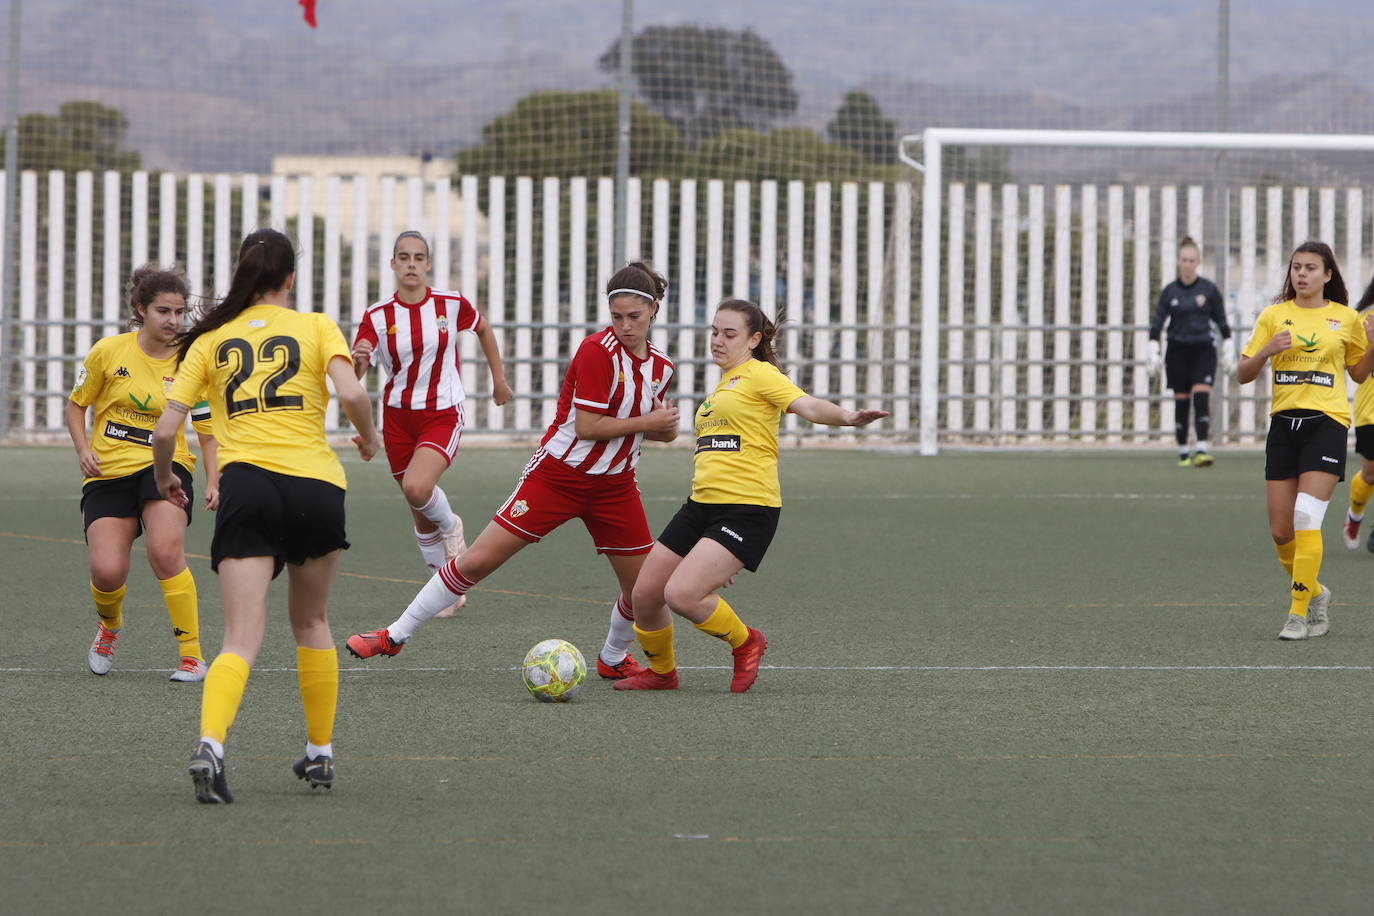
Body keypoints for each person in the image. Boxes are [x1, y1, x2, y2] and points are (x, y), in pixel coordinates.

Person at [346, 261, 679, 679]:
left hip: (616, 487)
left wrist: (665, 427)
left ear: (653, 313)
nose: (625, 326)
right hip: (558, 476)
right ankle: (394, 635)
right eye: (617, 317)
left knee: (643, 590)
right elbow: (589, 428)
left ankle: (612, 658)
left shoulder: (661, 366)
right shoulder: (597, 351)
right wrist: (650, 424)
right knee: (478, 561)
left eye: (634, 317)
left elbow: (653, 430)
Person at [151, 228, 381, 804]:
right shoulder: (317, 325)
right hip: (317, 486)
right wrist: (368, 436)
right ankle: (321, 754)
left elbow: (164, 430)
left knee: (239, 637)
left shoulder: (210, 338)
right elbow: (353, 395)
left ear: (244, 275)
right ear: (290, 278)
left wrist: (163, 479)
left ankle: (211, 743)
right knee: (312, 623)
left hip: (247, 485)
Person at [614, 298, 888, 693]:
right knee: (645, 592)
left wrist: (846, 417)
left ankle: (747, 642)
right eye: (713, 332)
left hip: (747, 509)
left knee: (681, 594)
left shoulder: (759, 375)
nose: (717, 341)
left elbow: (805, 404)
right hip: (701, 506)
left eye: (729, 334)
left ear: (754, 339)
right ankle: (662, 672)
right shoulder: (724, 385)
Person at [65, 264, 218, 682]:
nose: (173, 320)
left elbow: (206, 432)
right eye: (163, 311)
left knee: (165, 552)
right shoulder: (107, 352)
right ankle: (109, 627)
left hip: (165, 470)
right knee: (107, 571)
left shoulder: (192, 360)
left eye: (179, 312)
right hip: (108, 472)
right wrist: (83, 450)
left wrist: (215, 480)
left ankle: (191, 655)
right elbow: (76, 405)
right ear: (140, 309)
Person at [352, 230, 512, 616]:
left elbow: (484, 329)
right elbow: (358, 370)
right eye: (403, 257)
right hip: (397, 417)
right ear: (392, 265)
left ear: (427, 264)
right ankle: (446, 590)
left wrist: (499, 380)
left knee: (418, 486)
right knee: (417, 508)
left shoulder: (451, 304)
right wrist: (357, 357)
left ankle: (452, 526)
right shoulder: (377, 315)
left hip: (442, 411)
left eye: (418, 257)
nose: (411, 263)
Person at [1237, 241, 1374, 641]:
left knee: (1305, 517)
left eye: (1311, 268)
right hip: (1283, 426)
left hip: (1327, 424)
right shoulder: (1273, 315)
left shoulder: (1346, 318)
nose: (1302, 274)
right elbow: (1243, 373)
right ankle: (1315, 591)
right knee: (1282, 532)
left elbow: (1360, 374)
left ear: (1327, 274)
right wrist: (1266, 350)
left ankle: (1298, 614)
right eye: (1297, 267)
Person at [1146, 236, 1233, 467]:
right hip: (1177, 350)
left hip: (1203, 348)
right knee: (1181, 401)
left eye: (1191, 260)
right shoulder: (1170, 291)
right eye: (1184, 259)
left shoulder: (1208, 290)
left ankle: (1202, 449)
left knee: (1202, 395)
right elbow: (1157, 324)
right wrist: (1152, 350)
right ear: (1178, 261)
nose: (1187, 263)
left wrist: (1229, 346)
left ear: (1198, 262)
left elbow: (1222, 321)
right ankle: (1183, 451)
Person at [1342, 277, 1374, 551]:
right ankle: (1354, 516)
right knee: (1370, 473)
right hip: (1370, 410)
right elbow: (1357, 368)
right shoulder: (1365, 320)